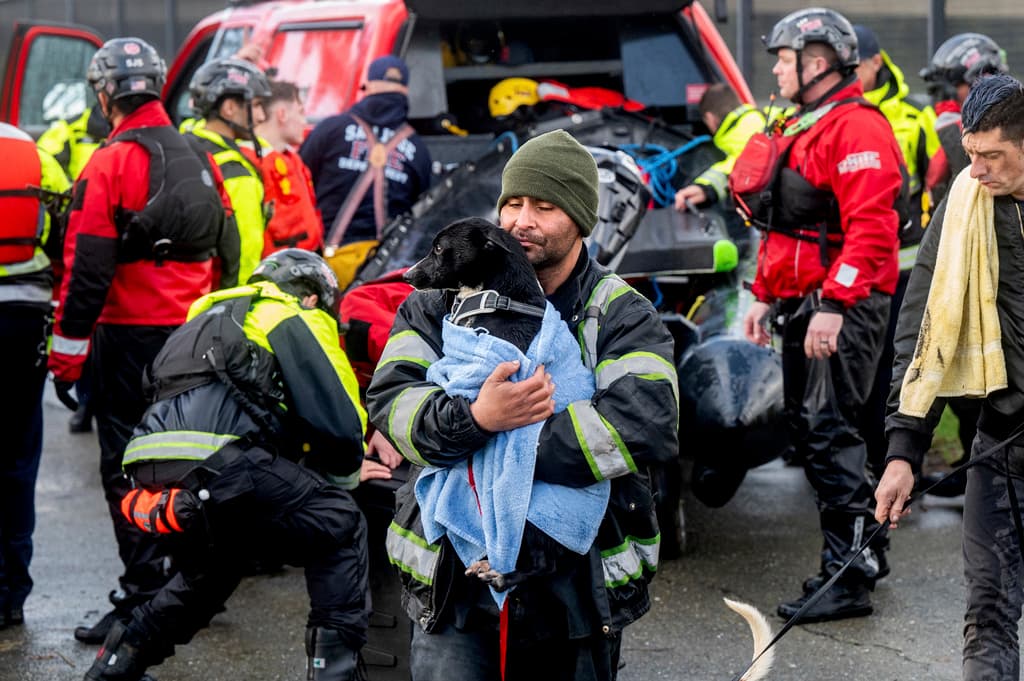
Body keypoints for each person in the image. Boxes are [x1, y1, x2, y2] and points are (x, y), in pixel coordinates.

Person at [366, 129, 679, 680]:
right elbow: (394, 402)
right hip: (453, 586)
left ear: (581, 219)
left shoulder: (620, 313)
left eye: (545, 206)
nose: (520, 221)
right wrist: (477, 418)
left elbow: (644, 422)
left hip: (573, 589)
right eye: (512, 203)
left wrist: (512, 440)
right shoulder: (435, 306)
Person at [83, 249, 369, 681]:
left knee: (210, 571)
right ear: (313, 297)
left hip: (150, 464)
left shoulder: (200, 320)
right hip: (222, 461)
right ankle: (334, 675)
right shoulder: (289, 314)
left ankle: (112, 668)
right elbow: (338, 420)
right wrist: (348, 476)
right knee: (340, 521)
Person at [47, 37, 239, 645]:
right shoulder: (202, 156)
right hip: (196, 336)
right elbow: (230, 251)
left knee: (127, 470)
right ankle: (191, 586)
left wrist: (66, 358)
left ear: (105, 95)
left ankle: (141, 599)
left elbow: (87, 271)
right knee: (192, 461)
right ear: (157, 86)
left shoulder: (108, 162)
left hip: (128, 338)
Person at [737, 7, 903, 623]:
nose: (776, 68)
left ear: (817, 64)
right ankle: (868, 549)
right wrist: (761, 293)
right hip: (803, 304)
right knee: (814, 433)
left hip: (842, 307)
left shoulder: (856, 130)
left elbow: (873, 232)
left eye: (784, 58)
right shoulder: (805, 122)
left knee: (831, 433)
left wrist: (834, 304)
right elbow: (785, 230)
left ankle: (849, 576)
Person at [876, 74, 1024, 681]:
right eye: (971, 155)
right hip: (1001, 442)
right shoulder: (965, 202)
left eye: (994, 157)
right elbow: (923, 325)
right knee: (987, 615)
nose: (978, 171)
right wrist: (903, 448)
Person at [850, 24, 942, 479]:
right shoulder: (839, 115)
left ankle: (902, 461)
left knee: (899, 367)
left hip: (905, 270)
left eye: (857, 64)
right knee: (860, 372)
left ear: (874, 62)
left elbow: (935, 186)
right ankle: (868, 461)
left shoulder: (913, 117)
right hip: (854, 269)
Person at [0, 124, 70, 629]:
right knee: (19, 455)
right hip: (25, 318)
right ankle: (10, 593)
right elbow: (67, 233)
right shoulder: (34, 152)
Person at [300, 56, 432, 250]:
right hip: (384, 269)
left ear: (367, 88)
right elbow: (421, 212)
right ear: (405, 92)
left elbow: (299, 183)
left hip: (325, 260)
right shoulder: (417, 149)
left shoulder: (330, 130)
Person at [38, 104, 111, 434]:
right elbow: (44, 172)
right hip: (77, 238)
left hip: (107, 237)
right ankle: (85, 402)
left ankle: (91, 402)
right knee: (82, 320)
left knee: (101, 328)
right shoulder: (66, 133)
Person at [186, 57, 272, 282]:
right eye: (255, 106)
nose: (262, 117)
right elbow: (244, 255)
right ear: (229, 108)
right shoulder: (235, 173)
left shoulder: (184, 143)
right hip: (224, 300)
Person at [921, 33, 1008, 206]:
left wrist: (952, 127)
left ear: (983, 81)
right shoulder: (936, 121)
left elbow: (974, 178)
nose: (947, 98)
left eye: (953, 89)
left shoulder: (1011, 122)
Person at [250, 79, 323, 256]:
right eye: (300, 112)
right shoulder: (251, 162)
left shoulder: (292, 159)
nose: (304, 121)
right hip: (273, 270)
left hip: (301, 265)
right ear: (282, 114)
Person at [673, 83, 765, 211]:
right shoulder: (760, 118)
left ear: (710, 118)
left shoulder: (740, 133)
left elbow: (740, 166)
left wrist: (705, 188)